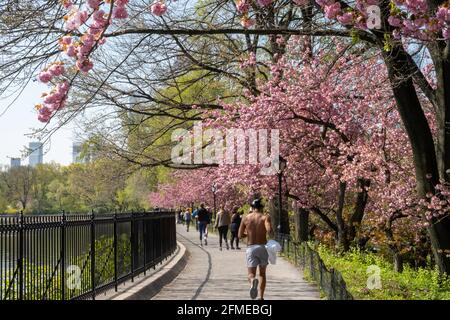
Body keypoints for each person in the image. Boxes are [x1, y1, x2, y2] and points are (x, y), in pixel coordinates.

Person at [238, 198, 273, 300]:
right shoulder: (264, 217)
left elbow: (240, 235)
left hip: (251, 247)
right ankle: (261, 297)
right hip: (262, 247)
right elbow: (269, 230)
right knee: (262, 274)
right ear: (261, 208)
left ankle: (253, 280)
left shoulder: (245, 218)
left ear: (252, 208)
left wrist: (248, 234)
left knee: (250, 273)